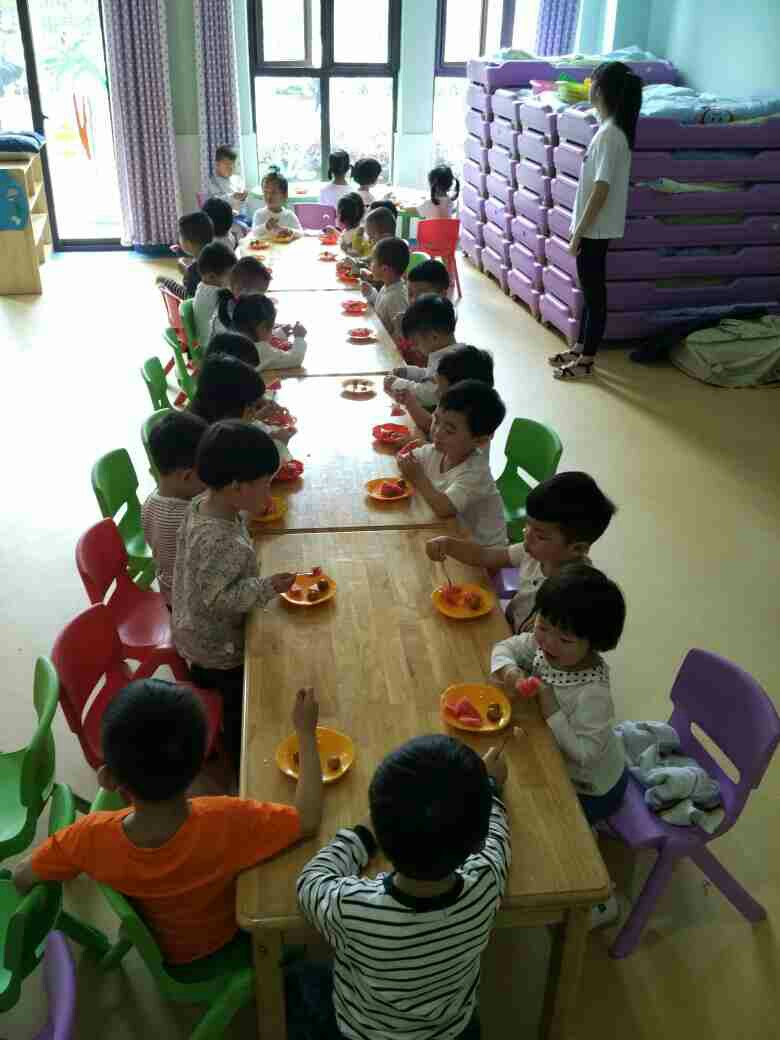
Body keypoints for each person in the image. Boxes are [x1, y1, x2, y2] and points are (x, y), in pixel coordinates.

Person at [13, 680, 323, 964]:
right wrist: (306, 735)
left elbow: (23, 876)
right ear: (199, 765)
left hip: (168, 950)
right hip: (231, 936)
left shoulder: (89, 837)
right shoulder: (227, 818)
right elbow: (307, 819)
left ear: (107, 778)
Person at [296, 734, 510, 1040]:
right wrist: (491, 788)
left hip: (362, 1034)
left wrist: (362, 836)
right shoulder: (485, 887)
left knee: (299, 979)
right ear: (475, 841)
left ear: (382, 837)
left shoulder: (352, 910)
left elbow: (310, 881)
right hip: (454, 1032)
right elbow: (496, 841)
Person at [490, 564, 627, 925]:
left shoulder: (593, 693)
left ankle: (601, 898)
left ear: (592, 644)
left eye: (564, 640)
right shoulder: (545, 646)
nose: (547, 643)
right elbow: (504, 647)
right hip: (554, 756)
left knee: (558, 836)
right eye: (543, 627)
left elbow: (584, 755)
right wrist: (510, 671)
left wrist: (549, 705)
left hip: (591, 787)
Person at [172, 421, 297, 772]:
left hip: (193, 625)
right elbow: (220, 599)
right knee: (240, 708)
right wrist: (266, 587)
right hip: (216, 648)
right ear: (237, 487)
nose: (269, 493)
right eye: (265, 484)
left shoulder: (204, 503)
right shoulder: (219, 539)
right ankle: (243, 764)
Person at [426, 472, 616, 634]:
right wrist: (448, 545)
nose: (527, 535)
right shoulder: (534, 553)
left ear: (577, 549)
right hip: (508, 628)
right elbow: (484, 556)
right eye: (528, 525)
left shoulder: (578, 593)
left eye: (540, 535)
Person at [550, 61, 642, 380]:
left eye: (593, 82)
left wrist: (579, 232)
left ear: (601, 90)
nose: (589, 87)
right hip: (597, 227)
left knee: (594, 295)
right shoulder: (610, 132)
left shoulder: (609, 136)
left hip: (596, 228)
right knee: (590, 292)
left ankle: (587, 360)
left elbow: (601, 190)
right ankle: (580, 348)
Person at [398, 380, 507, 546]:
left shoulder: (476, 472)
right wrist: (404, 459)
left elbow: (444, 508)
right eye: (436, 420)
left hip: (484, 551)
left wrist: (418, 476)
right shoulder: (437, 451)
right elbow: (406, 461)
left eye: (449, 430)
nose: (437, 432)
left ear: (480, 440)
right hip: (451, 535)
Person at [142, 411, 208, 608]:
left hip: (171, 596)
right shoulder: (191, 517)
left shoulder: (150, 502)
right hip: (196, 607)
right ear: (187, 476)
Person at [190, 353, 298, 465]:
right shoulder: (212, 444)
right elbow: (252, 472)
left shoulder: (207, 417)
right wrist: (279, 445)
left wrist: (255, 419)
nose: (253, 412)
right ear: (231, 408)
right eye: (251, 407)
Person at [399, 344, 494, 438]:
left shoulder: (469, 423)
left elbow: (432, 431)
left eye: (441, 390)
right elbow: (432, 425)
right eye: (437, 384)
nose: (436, 393)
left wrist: (420, 441)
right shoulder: (452, 403)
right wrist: (409, 402)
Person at [384, 294, 461, 406]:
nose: (413, 347)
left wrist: (397, 383)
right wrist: (408, 372)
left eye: (416, 343)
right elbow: (429, 376)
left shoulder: (450, 362)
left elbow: (428, 395)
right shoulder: (450, 352)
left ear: (434, 337)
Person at [230, 294, 307, 372]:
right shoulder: (262, 352)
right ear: (263, 328)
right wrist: (299, 338)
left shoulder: (229, 342)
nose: (271, 332)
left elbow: (261, 337)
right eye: (271, 328)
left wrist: (280, 333)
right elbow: (295, 358)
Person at [210, 255, 273, 339]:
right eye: (258, 295)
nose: (261, 300)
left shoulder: (241, 302)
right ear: (238, 289)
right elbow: (249, 339)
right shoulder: (227, 313)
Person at [156, 211, 214, 300]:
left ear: (188, 243)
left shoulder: (194, 270)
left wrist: (166, 281)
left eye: (180, 236)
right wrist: (180, 252)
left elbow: (186, 296)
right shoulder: (215, 255)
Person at [361, 236, 409, 341]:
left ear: (384, 269)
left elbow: (402, 333)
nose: (370, 265)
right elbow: (382, 308)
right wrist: (371, 293)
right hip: (378, 336)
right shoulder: (388, 286)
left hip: (385, 345)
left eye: (373, 261)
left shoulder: (397, 298)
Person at [192, 241, 236, 347]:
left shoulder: (202, 287)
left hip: (207, 343)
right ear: (211, 276)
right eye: (230, 275)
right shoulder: (219, 293)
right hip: (216, 349)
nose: (233, 279)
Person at [252, 170, 303, 239]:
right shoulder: (259, 214)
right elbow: (254, 233)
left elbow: (301, 234)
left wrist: (289, 230)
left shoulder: (289, 215)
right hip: (265, 246)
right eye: (265, 192)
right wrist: (266, 226)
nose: (269, 196)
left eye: (274, 192)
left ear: (284, 195)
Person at [207, 144, 248, 215]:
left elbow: (243, 205)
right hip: (221, 218)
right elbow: (215, 203)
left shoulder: (238, 179)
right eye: (227, 163)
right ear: (217, 164)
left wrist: (243, 198)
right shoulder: (211, 182)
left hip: (239, 217)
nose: (231, 167)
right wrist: (233, 196)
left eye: (233, 163)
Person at [335, 192, 370, 257]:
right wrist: (335, 232)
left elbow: (354, 254)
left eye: (337, 213)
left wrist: (345, 249)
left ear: (342, 216)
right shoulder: (354, 230)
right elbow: (343, 238)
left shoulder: (356, 234)